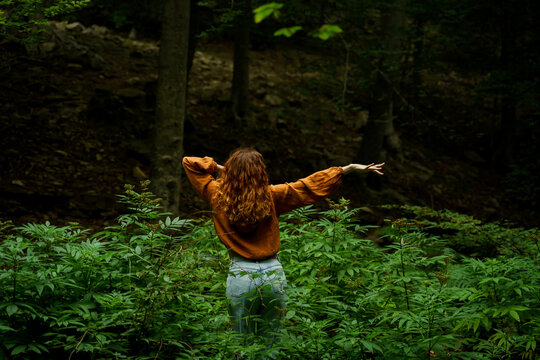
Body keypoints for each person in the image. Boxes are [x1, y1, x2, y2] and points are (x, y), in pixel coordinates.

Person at [182, 148, 384, 347]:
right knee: (271, 340)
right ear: (261, 173)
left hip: (240, 273)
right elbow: (306, 186)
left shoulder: (215, 194)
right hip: (273, 272)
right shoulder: (271, 195)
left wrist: (220, 168)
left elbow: (190, 162)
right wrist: (346, 168)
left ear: (231, 171)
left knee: (240, 342)